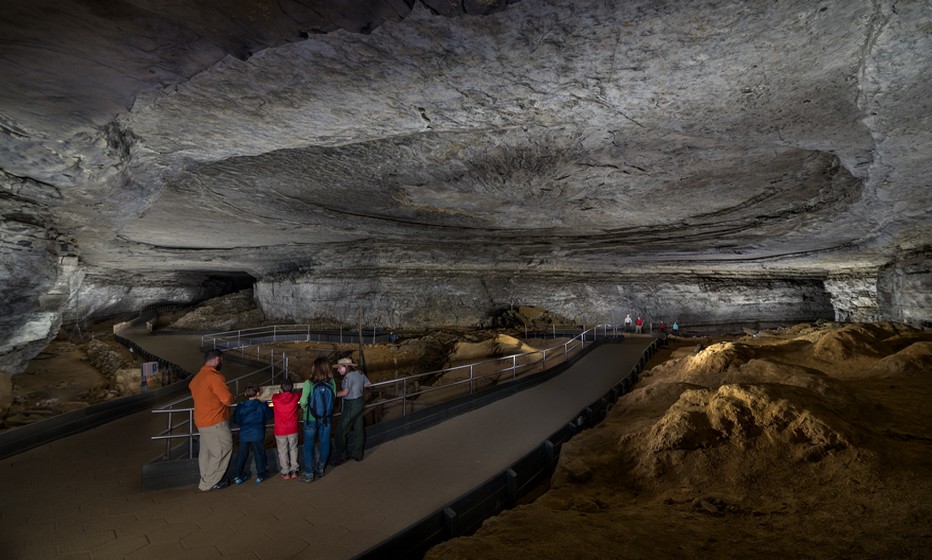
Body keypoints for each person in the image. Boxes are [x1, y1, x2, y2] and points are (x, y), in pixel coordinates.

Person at [189, 349, 235, 491]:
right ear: (216, 359)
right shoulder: (214, 377)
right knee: (223, 449)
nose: (221, 363)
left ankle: (206, 477)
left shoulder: (197, 378)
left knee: (207, 452)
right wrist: (232, 398)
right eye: (221, 360)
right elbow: (226, 398)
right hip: (215, 421)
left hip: (201, 420)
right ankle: (208, 482)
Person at [299, 357, 337, 482]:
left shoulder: (308, 383)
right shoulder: (332, 382)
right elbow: (334, 398)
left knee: (308, 446)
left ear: (315, 368)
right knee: (325, 443)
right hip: (326, 419)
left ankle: (309, 474)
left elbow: (303, 401)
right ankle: (320, 469)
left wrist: (307, 410)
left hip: (310, 419)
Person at [332, 357, 371, 465]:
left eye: (339, 368)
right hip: (359, 402)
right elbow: (367, 384)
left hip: (351, 404)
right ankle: (358, 454)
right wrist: (358, 388)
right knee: (358, 428)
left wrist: (332, 394)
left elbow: (344, 393)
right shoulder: (359, 373)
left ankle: (342, 455)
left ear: (346, 367)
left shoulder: (348, 377)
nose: (338, 370)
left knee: (340, 431)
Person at [232, 384, 273, 485]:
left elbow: (236, 419)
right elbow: (269, 415)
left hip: (244, 433)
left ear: (245, 394)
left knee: (242, 454)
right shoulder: (262, 405)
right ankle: (261, 475)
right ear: (258, 393)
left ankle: (238, 475)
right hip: (257, 433)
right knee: (259, 454)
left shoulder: (241, 406)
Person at [271, 379, 302, 480]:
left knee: (282, 450)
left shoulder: (275, 398)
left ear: (281, 389)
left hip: (280, 429)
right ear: (292, 388)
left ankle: (285, 471)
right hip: (292, 428)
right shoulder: (295, 397)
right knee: (293, 448)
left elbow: (274, 396)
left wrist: (279, 393)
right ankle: (294, 469)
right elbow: (300, 393)